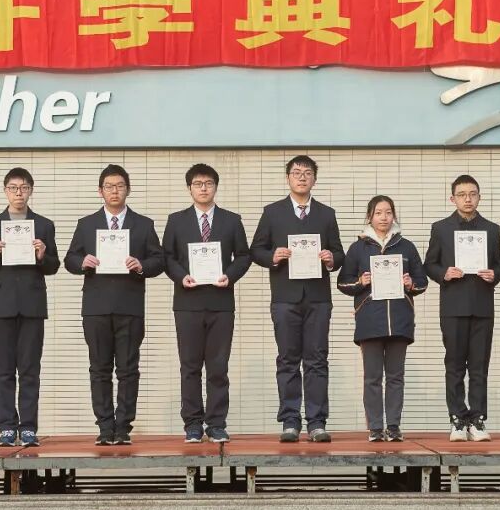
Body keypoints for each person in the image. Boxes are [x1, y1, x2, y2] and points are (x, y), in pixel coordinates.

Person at [65, 164, 164, 446]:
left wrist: (141, 265)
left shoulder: (144, 224)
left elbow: (159, 260)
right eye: (109, 186)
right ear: (100, 191)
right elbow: (70, 259)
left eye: (120, 186)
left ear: (128, 189)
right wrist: (82, 262)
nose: (115, 191)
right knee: (99, 368)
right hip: (96, 307)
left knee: (128, 369)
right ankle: (105, 427)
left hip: (129, 306)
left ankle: (123, 427)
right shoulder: (86, 224)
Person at [250, 155, 344, 443]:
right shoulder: (272, 212)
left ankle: (317, 422)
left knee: (317, 360)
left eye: (307, 173)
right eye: (296, 172)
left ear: (314, 178)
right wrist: (273, 256)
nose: (302, 177)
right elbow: (256, 250)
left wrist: (331, 258)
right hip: (285, 298)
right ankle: (290, 421)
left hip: (318, 298)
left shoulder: (326, 214)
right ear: (288, 178)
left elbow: (339, 253)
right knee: (288, 360)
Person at [162, 163, 252, 443]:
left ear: (216, 187)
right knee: (189, 367)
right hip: (187, 303)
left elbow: (244, 256)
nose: (203, 188)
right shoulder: (176, 221)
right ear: (189, 188)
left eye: (209, 183)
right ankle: (192, 424)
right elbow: (167, 257)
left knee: (218, 367)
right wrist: (181, 276)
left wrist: (230, 276)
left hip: (220, 303)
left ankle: (216, 424)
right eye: (198, 184)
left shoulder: (231, 220)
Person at [0, 167, 60, 448]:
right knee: (3, 370)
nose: (18, 193)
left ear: (31, 190)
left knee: (30, 370)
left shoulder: (44, 225)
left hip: (32, 304)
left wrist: (42, 255)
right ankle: (7, 427)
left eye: (23, 187)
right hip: (1, 305)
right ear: (5, 191)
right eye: (13, 188)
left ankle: (29, 427)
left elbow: (53, 266)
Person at [337, 195, 427, 442]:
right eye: (378, 213)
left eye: (388, 212)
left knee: (396, 377)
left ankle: (394, 426)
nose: (384, 217)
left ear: (394, 216)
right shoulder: (358, 248)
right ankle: (376, 427)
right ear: (370, 217)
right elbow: (343, 282)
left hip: (400, 321)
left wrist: (410, 284)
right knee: (373, 378)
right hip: (370, 321)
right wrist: (360, 282)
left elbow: (422, 282)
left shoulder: (407, 247)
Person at [424, 174, 500, 442]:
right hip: (453, 306)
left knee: (480, 366)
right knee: (455, 365)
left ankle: (478, 420)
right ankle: (458, 419)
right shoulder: (441, 228)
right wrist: (444, 273)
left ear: (479, 197)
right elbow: (429, 264)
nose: (467, 199)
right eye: (462, 194)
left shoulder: (492, 229)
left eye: (472, 194)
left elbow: (499, 265)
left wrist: (494, 274)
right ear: (452, 198)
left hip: (482, 306)